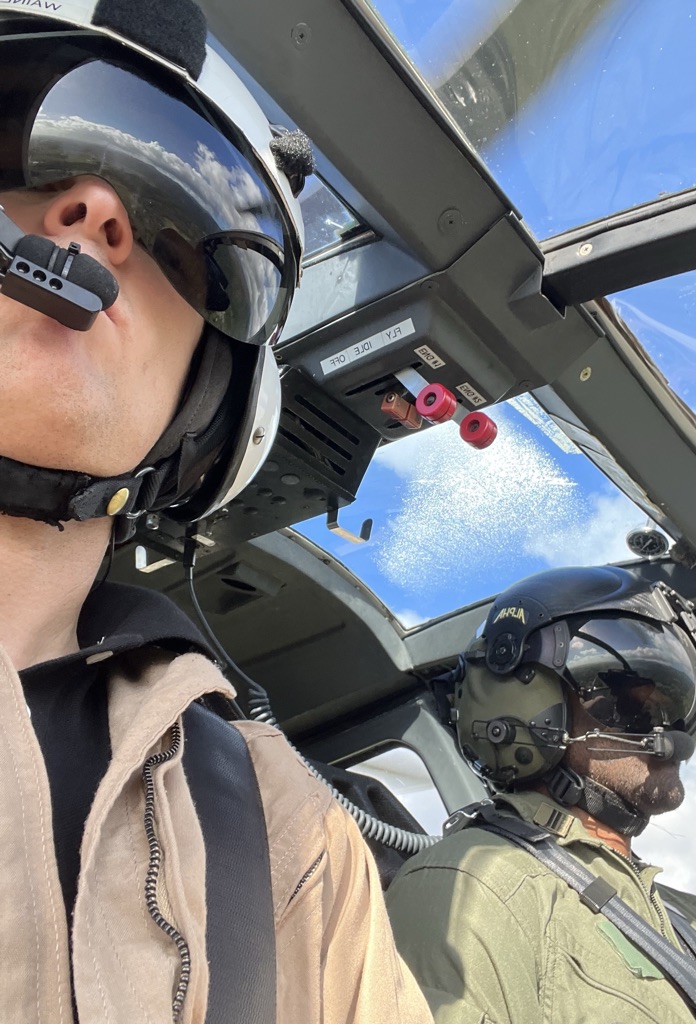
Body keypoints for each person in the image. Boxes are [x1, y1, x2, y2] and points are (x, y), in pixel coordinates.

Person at [0, 3, 434, 1023]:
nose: (99, 207)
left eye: (185, 219)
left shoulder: (299, 847)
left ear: (216, 405)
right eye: (18, 128)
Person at [387, 565, 696, 1023]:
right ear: (523, 710)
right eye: (625, 702)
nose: (665, 728)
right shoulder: (474, 882)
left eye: (671, 703)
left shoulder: (695, 921)